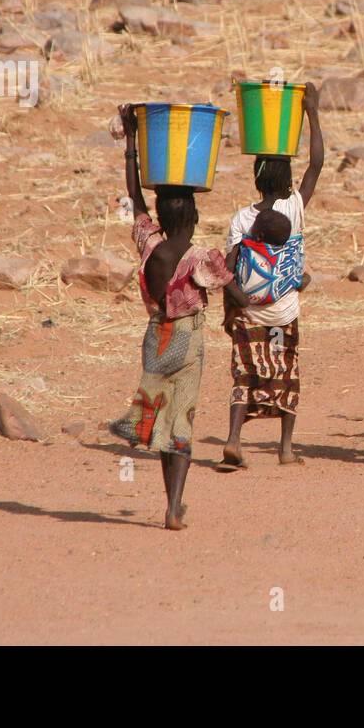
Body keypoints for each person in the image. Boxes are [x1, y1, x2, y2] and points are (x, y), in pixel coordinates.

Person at [110, 103, 249, 530]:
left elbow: (133, 196)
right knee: (182, 423)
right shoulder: (201, 258)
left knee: (161, 409)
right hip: (187, 340)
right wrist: (236, 260)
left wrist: (133, 141)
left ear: (161, 216)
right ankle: (173, 506)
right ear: (195, 214)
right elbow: (239, 296)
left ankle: (143, 419)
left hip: (156, 336)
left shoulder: (149, 244)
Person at [221, 83, 323, 468]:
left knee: (245, 374)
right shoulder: (295, 207)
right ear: (286, 182)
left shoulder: (242, 218)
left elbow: (229, 269)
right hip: (284, 313)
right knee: (286, 372)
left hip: (250, 315)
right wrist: (311, 111)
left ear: (257, 179)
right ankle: (285, 448)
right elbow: (317, 165)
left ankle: (233, 439)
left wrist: (241, 301)